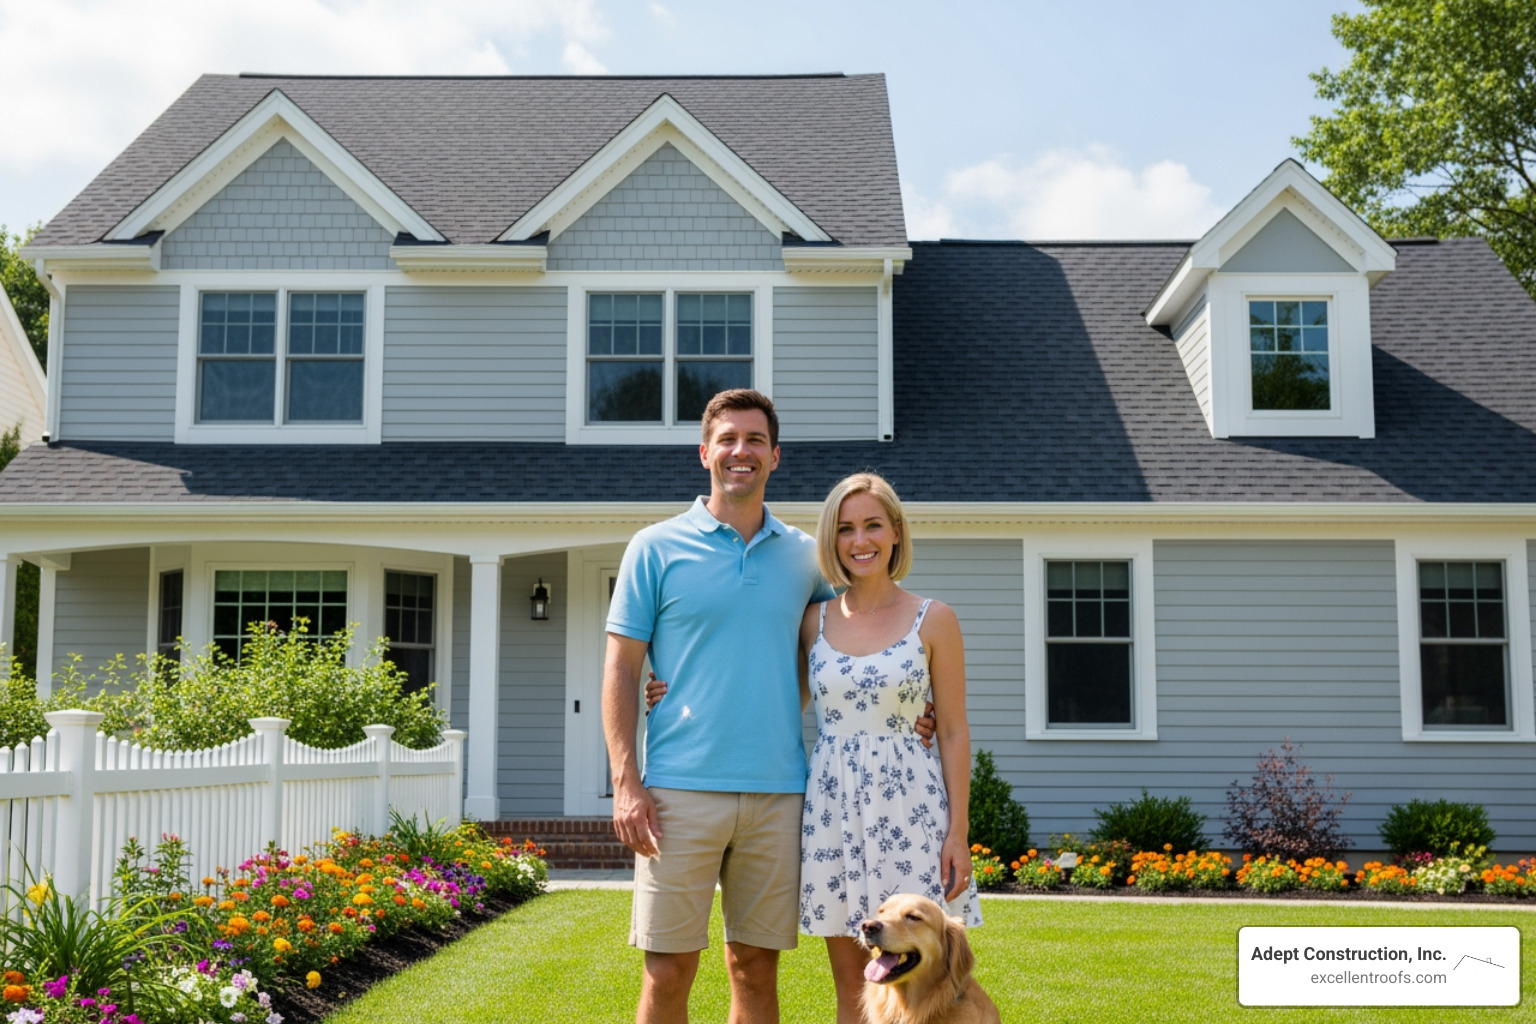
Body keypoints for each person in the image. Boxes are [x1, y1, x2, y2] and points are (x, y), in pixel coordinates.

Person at [648, 471, 978, 1024]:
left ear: (896, 532)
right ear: (831, 540)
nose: (860, 540)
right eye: (845, 529)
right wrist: (672, 692)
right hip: (833, 810)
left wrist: (958, 834)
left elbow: (952, 729)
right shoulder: (813, 619)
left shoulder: (935, 619)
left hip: (911, 808)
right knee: (856, 981)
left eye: (873, 525)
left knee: (929, 980)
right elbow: (766, 688)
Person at [602, 388, 836, 1024]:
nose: (741, 451)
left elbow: (845, 650)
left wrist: (913, 709)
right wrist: (626, 783)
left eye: (755, 440)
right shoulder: (654, 547)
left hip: (778, 791)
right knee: (667, 972)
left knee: (755, 968)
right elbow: (621, 667)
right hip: (678, 791)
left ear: (775, 456)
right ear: (705, 452)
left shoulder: (807, 556)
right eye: (727, 439)